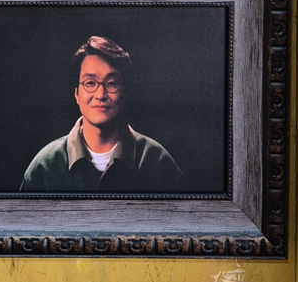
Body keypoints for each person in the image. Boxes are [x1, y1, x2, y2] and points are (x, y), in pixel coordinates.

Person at [19, 36, 183, 193]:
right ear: (76, 94)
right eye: (90, 83)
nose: (100, 95)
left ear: (125, 93)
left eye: (111, 83)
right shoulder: (44, 166)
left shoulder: (158, 162)